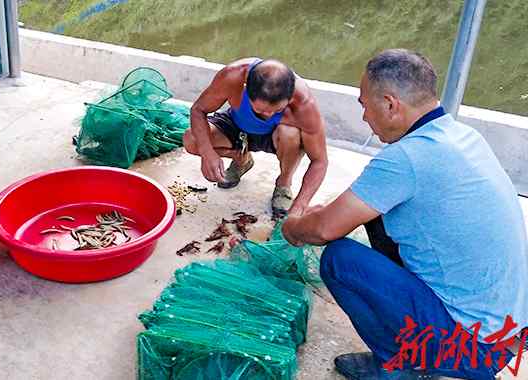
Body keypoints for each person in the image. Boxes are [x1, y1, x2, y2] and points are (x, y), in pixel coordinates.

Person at [282, 49, 528, 379]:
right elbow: (352, 206)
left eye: (364, 105)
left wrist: (293, 226)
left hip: (475, 350)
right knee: (370, 212)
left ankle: (396, 366)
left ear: (390, 104)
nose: (365, 117)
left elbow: (323, 229)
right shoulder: (461, 135)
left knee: (340, 259)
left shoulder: (407, 159)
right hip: (506, 333)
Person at [183, 58, 328, 217]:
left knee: (290, 134)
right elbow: (198, 109)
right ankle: (242, 160)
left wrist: (299, 207)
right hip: (238, 125)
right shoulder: (232, 77)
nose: (268, 114)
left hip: (276, 135)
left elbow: (319, 161)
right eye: (260, 109)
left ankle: (284, 183)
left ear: (289, 96)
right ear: (245, 89)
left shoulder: (304, 103)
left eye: (277, 110)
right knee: (192, 140)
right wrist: (207, 153)